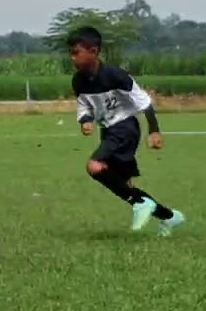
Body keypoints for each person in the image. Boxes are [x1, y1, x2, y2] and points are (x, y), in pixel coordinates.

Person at [68, 26, 185, 235]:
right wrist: (85, 119)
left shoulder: (115, 75)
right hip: (108, 130)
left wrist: (154, 131)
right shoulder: (78, 81)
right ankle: (170, 217)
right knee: (124, 185)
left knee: (94, 166)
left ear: (93, 51)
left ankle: (140, 203)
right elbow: (84, 104)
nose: (72, 58)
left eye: (76, 52)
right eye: (71, 53)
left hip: (125, 127)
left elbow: (143, 101)